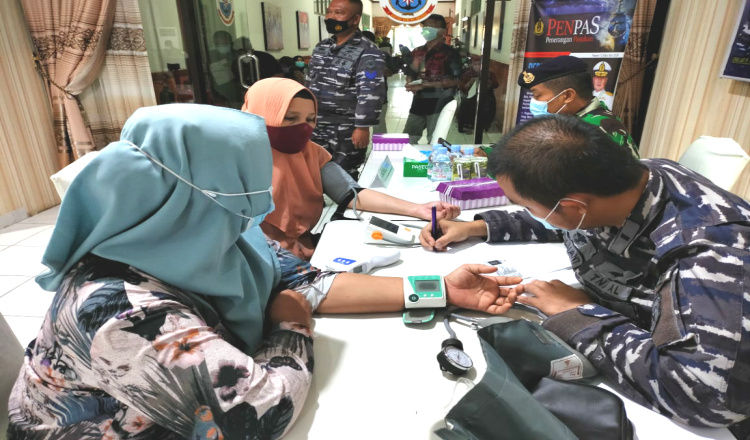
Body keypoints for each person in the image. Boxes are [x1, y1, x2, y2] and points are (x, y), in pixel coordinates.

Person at [6, 104, 521, 439]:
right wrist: (290, 326)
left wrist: (441, 290)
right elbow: (258, 416)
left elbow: (305, 283)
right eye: (241, 192)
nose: (258, 210)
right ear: (185, 196)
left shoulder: (217, 233)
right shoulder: (118, 311)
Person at [420, 115, 750, 436]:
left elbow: (705, 398)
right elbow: (561, 218)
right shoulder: (620, 182)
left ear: (574, 207)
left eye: (528, 206)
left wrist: (577, 314)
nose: (530, 213)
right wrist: (477, 227)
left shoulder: (711, 257)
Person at [243, 78, 460, 260]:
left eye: (310, 119)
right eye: (290, 118)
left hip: (307, 252)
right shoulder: (238, 161)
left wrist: (417, 209)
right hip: (258, 261)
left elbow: (352, 194)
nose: (302, 127)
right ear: (257, 115)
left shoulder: (312, 153)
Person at [306, 0, 386, 180]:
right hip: (316, 124)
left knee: (345, 176)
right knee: (313, 173)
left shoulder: (368, 51)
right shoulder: (322, 47)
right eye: (329, 12)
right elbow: (309, 82)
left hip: (345, 128)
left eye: (339, 13)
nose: (331, 17)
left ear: (355, 19)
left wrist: (362, 127)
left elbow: (371, 91)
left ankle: (348, 200)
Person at [519, 55, 638, 157]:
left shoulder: (594, 132)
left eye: (537, 95)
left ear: (568, 96)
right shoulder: (579, 118)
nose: (533, 101)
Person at [402, 14, 463, 144]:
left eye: (431, 26)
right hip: (419, 101)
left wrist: (425, 85)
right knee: (408, 138)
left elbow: (457, 80)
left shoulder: (450, 53)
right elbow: (410, 72)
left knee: (435, 139)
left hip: (440, 101)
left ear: (442, 31)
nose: (426, 29)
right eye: (425, 26)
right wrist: (410, 81)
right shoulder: (418, 51)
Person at [457, 56, 499, 134]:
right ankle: (465, 123)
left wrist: (490, 83)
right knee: (465, 102)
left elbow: (496, 85)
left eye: (479, 64)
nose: (477, 66)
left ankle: (485, 125)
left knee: (490, 102)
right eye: (475, 64)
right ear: (472, 65)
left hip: (486, 94)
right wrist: (469, 83)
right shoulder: (468, 74)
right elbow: (461, 86)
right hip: (470, 94)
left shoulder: (489, 73)